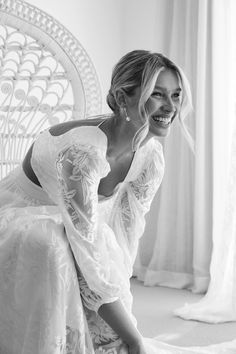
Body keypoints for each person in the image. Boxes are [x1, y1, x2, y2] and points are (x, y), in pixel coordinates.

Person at [1, 50, 229, 354]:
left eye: (176, 95)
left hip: (70, 225)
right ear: (123, 99)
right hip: (17, 223)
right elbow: (85, 246)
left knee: (102, 243)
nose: (171, 107)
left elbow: (125, 236)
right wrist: (133, 338)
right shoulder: (82, 152)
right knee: (53, 241)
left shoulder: (150, 156)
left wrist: (123, 323)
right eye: (157, 95)